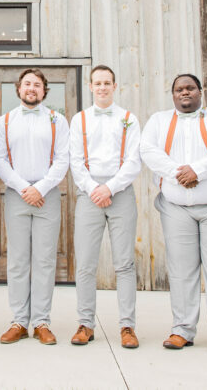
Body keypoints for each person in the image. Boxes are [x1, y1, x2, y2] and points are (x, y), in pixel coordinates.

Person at [140, 74, 207, 353]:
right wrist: (180, 174)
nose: (184, 92)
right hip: (176, 209)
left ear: (200, 91)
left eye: (189, 88)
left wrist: (199, 170)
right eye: (179, 89)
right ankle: (182, 329)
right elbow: (148, 151)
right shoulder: (159, 121)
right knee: (181, 270)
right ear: (172, 94)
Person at [0, 68, 69, 345]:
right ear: (19, 88)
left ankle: (42, 322)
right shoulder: (5, 121)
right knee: (18, 260)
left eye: (37, 84)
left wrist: (41, 188)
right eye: (27, 84)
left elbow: (63, 159)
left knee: (45, 260)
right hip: (17, 194)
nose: (31, 88)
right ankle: (19, 321)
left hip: (47, 194)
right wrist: (25, 188)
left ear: (44, 90)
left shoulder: (56, 120)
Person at [67, 65, 141, 349]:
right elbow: (75, 160)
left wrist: (109, 188)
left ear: (115, 86)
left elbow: (134, 160)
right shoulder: (80, 119)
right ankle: (85, 323)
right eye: (97, 83)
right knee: (85, 263)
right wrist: (94, 189)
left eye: (107, 83)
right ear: (90, 86)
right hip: (89, 193)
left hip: (119, 191)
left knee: (124, 263)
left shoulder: (128, 119)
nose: (102, 87)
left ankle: (127, 326)